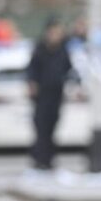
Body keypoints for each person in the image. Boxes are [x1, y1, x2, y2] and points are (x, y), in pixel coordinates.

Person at [26, 18, 72, 171]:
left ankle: (49, 159)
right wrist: (32, 84)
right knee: (41, 127)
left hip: (56, 93)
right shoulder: (40, 49)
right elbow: (32, 69)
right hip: (42, 95)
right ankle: (40, 159)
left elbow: (68, 69)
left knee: (52, 127)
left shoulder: (63, 49)